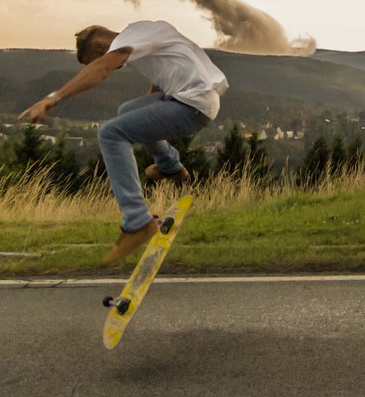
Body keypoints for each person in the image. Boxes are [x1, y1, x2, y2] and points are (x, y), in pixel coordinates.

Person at [18, 20, 225, 264]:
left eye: (92, 60)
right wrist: (146, 118)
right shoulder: (144, 34)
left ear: (99, 45)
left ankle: (137, 222)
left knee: (109, 133)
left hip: (191, 105)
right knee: (127, 111)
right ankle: (170, 167)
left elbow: (104, 67)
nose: (114, 68)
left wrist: (53, 98)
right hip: (191, 98)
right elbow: (162, 75)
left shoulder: (127, 40)